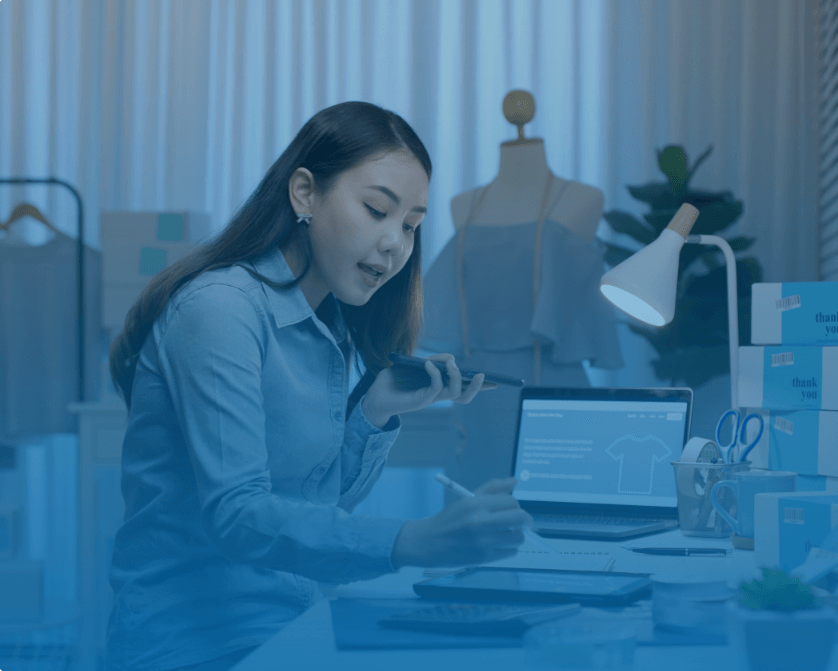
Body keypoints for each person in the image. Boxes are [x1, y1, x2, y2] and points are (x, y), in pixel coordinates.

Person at [104, 101, 533, 671]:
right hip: (198, 647)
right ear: (305, 193)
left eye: (410, 226)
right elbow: (239, 515)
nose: (395, 244)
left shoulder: (324, 327)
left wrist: (374, 414)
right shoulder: (220, 310)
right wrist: (411, 539)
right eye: (377, 210)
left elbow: (310, 506)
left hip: (289, 626)